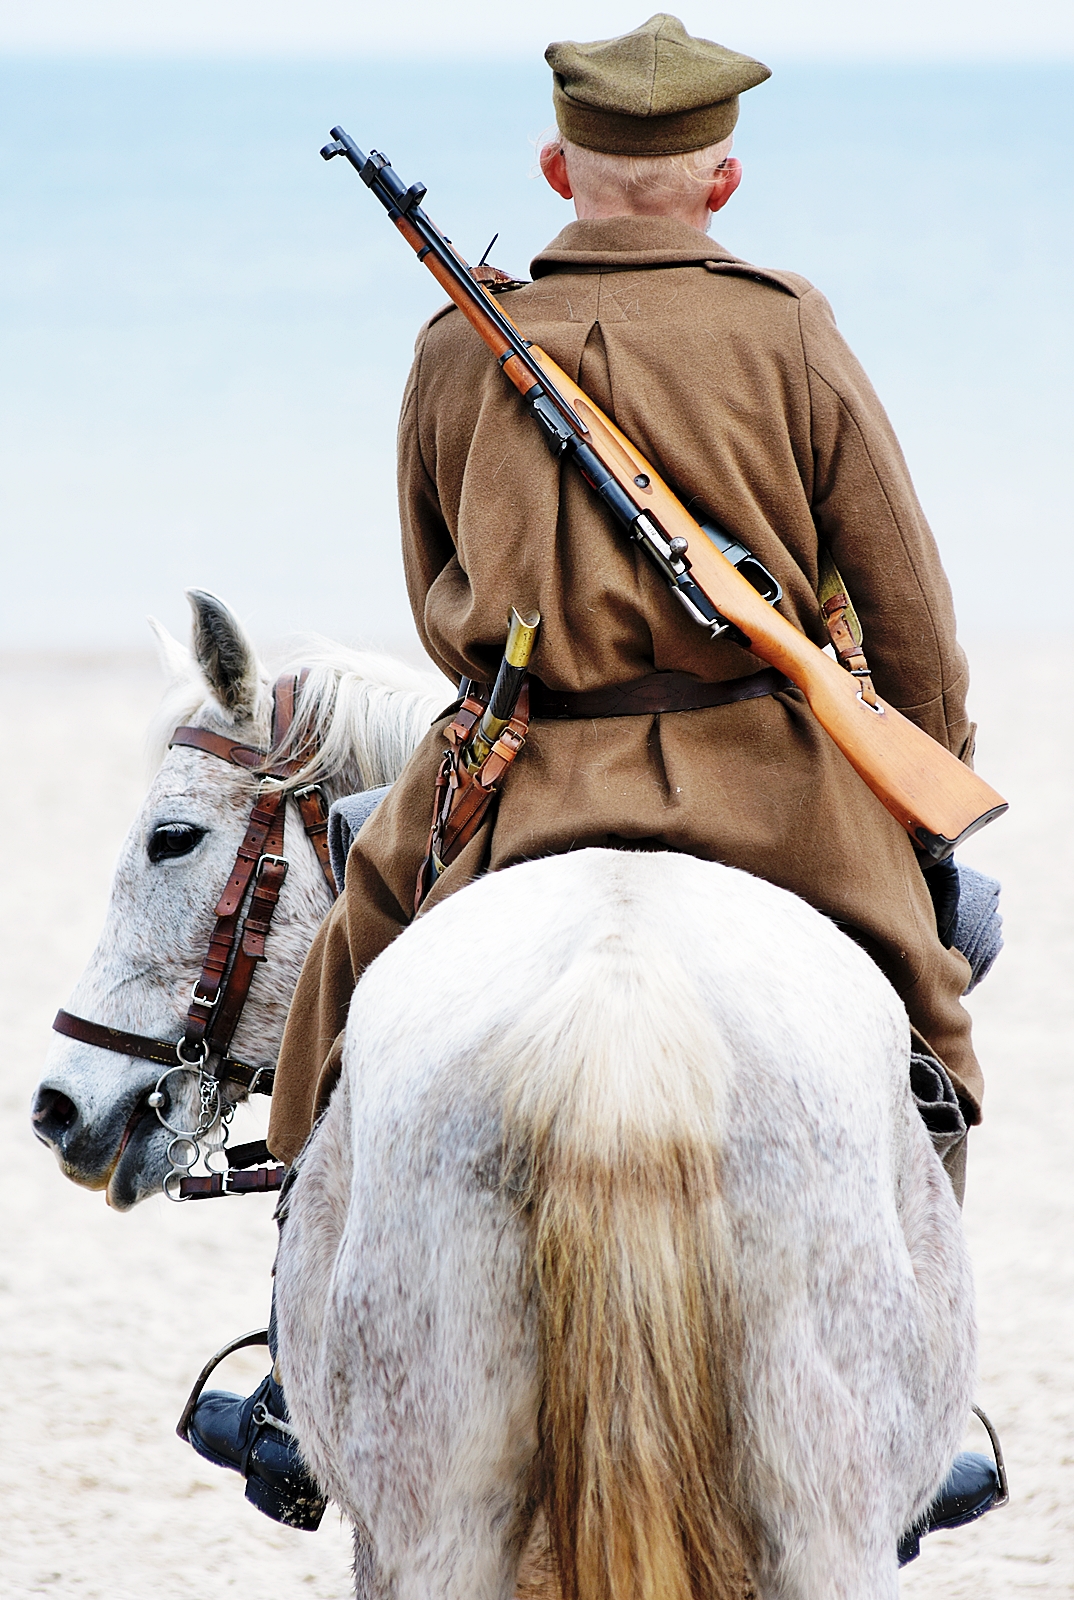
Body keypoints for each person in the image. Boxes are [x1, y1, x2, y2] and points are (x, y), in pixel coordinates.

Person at [185, 13, 1004, 1560]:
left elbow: (434, 591)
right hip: (780, 788)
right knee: (932, 1014)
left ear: (558, 169)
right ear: (723, 182)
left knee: (348, 974)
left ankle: (295, 1368)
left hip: (521, 774)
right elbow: (906, 610)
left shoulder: (457, 343)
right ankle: (920, 1400)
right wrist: (924, 767)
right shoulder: (791, 329)